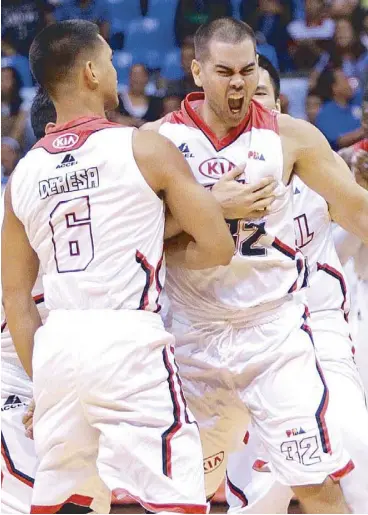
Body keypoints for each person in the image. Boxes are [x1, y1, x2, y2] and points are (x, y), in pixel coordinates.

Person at [1, 20, 236, 514]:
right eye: (108, 62)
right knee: (171, 497)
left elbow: (17, 300)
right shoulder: (144, 147)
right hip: (128, 338)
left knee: (68, 499)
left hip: (56, 349)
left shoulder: (22, 174)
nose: (115, 70)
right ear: (90, 71)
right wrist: (154, 243)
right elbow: (217, 246)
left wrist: (40, 378)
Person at [142, 17, 368, 513]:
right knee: (179, 493)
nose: (239, 82)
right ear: (197, 71)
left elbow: (355, 207)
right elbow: (133, 242)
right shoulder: (154, 143)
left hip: (272, 335)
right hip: (191, 338)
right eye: (225, 71)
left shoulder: (292, 137)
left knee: (315, 481)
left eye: (247, 70)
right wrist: (208, 207)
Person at [225, 54, 368, 514]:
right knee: (259, 486)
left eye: (261, 93)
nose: (252, 103)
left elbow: (357, 218)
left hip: (320, 328)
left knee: (352, 439)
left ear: (278, 101)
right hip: (250, 340)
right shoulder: (220, 181)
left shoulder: (315, 158)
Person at [1, 89, 56, 514]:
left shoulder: (120, 186)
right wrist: (44, 382)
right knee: (26, 495)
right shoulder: (17, 195)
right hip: (20, 370)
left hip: (89, 360)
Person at [315, 67, 364, 150]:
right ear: (335, 88)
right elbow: (340, 141)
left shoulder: (357, 99)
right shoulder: (325, 114)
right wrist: (363, 131)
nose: (349, 83)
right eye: (345, 80)